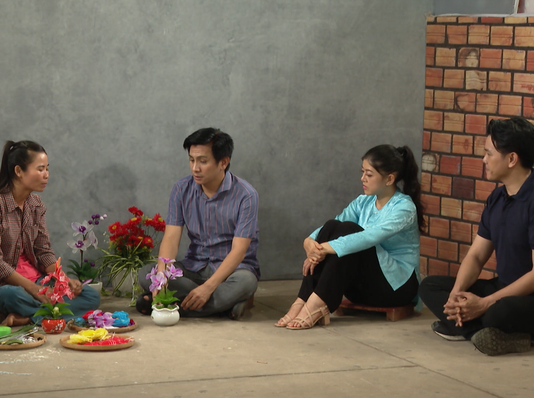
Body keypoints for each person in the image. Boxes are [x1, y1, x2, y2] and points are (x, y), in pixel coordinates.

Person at [419, 118, 534, 356]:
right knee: (430, 286)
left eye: (489, 153)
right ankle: (485, 332)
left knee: (498, 312)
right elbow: (476, 256)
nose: (484, 160)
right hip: (506, 289)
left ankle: (466, 326)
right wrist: (455, 295)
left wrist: (485, 303)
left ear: (512, 159)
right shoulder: (497, 198)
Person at [276, 145, 424, 330]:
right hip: (361, 289)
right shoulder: (363, 201)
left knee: (350, 230)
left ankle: (316, 303)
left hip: (395, 289)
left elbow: (370, 237)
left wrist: (324, 249)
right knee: (333, 225)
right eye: (362, 172)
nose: (363, 178)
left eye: (369, 174)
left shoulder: (404, 208)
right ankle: (303, 299)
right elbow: (335, 224)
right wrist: (310, 242)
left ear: (389, 179)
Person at [0, 140, 100, 327]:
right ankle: (42, 313)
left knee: (90, 295)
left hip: (35, 280)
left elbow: (43, 250)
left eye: (47, 169)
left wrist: (63, 279)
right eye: (40, 169)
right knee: (14, 295)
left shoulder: (36, 204)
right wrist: (33, 289)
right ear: (18, 171)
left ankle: (28, 318)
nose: (46, 175)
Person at [136, 128, 259, 320]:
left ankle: (174, 305)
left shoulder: (246, 195)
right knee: (147, 273)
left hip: (232, 271)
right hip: (194, 267)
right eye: (191, 160)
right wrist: (161, 278)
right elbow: (171, 238)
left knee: (246, 282)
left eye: (203, 161)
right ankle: (225, 305)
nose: (195, 168)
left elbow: (239, 250)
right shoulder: (181, 189)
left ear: (223, 162)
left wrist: (208, 287)